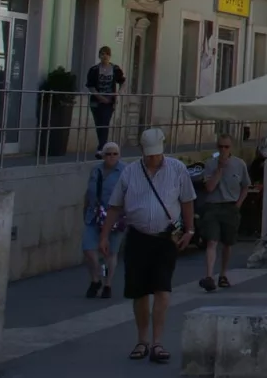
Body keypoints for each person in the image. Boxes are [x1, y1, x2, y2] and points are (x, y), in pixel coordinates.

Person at [99, 128, 195, 363]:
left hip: (164, 237)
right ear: (142, 151)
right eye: (149, 155)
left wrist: (190, 230)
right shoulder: (130, 172)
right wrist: (104, 236)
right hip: (138, 237)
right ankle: (142, 340)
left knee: (163, 288)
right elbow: (114, 206)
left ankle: (158, 342)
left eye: (157, 154)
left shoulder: (177, 169)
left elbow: (187, 201)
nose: (153, 159)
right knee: (139, 291)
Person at [197, 134, 252, 292]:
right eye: (220, 146)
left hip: (230, 206)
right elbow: (209, 188)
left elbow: (245, 186)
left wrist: (238, 204)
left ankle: (223, 274)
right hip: (213, 206)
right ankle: (209, 276)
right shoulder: (210, 164)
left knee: (228, 243)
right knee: (212, 241)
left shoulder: (239, 164)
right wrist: (219, 169)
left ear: (231, 148)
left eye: (226, 147)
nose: (223, 150)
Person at [82, 142, 126, 298]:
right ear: (103, 155)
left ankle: (108, 283)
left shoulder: (124, 171)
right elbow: (89, 192)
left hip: (114, 216)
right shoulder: (96, 170)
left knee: (110, 253)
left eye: (115, 154)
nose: (111, 157)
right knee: (88, 248)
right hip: (93, 215)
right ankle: (96, 278)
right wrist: (85, 209)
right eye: (108, 154)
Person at [85, 46, 126, 155]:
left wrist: (118, 93)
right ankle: (102, 147)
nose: (105, 56)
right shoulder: (94, 70)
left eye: (107, 54)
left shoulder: (115, 69)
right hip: (96, 101)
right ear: (99, 56)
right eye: (102, 54)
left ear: (110, 56)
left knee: (104, 123)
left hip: (109, 102)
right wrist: (100, 97)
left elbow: (123, 81)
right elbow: (91, 86)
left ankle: (101, 148)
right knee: (99, 124)